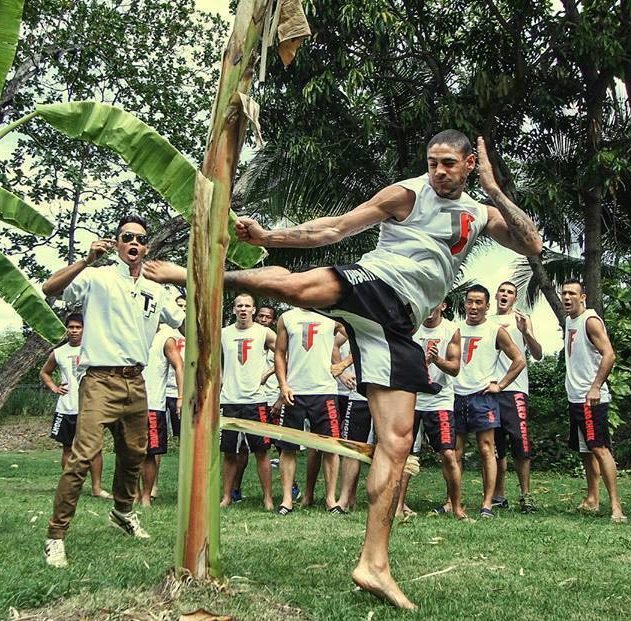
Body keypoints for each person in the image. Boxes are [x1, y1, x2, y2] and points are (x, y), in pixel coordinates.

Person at [144, 131, 542, 609]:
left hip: (400, 327)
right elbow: (332, 229)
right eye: (433, 162)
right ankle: (198, 274)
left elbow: (532, 244)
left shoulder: (482, 213)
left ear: (469, 164)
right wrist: (269, 236)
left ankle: (373, 564)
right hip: (377, 282)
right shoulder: (406, 194)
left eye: (449, 164)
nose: (438, 171)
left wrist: (495, 190)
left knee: (394, 447)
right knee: (297, 291)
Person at [42, 214, 185, 569]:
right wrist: (86, 259)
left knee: (136, 453)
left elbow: (181, 319)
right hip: (99, 380)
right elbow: (49, 288)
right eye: (126, 237)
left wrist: (181, 276)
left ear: (146, 246)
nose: (133, 243)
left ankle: (123, 511)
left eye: (139, 238)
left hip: (137, 381)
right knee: (82, 454)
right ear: (117, 243)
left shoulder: (157, 287)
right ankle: (56, 536)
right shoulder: (97, 277)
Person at [453, 284, 526, 518]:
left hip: (483, 397)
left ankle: (487, 504)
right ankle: (452, 501)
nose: (473, 307)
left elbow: (519, 360)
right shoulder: (455, 329)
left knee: (487, 449)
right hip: (456, 395)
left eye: (478, 303)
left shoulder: (495, 330)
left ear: (486, 305)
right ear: (464, 303)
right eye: (469, 302)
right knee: (454, 452)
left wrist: (500, 385)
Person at [561, 280, 626, 523]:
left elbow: (609, 354)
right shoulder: (570, 320)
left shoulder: (590, 320)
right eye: (564, 293)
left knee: (599, 448)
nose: (567, 297)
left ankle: (616, 507)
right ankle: (592, 499)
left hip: (591, 398)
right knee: (586, 451)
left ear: (583, 297)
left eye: (572, 294)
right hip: (575, 397)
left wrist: (595, 387)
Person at [396, 301, 465, 520]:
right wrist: (421, 362)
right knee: (404, 454)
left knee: (448, 454)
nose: (429, 310)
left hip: (440, 401)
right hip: (412, 399)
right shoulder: (410, 328)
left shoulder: (451, 330)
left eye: (434, 305)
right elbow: (399, 366)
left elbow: (454, 369)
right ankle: (398, 506)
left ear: (443, 306)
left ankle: (456, 508)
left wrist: (437, 360)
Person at [274, 307, 344, 514]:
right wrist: (283, 385)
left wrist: (344, 364)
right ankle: (287, 500)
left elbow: (362, 339)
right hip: (294, 391)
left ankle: (331, 500)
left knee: (331, 446)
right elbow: (279, 352)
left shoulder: (332, 316)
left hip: (324, 391)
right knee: (288, 447)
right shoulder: (287, 317)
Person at [40, 313, 111, 500]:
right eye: (71, 327)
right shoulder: (59, 352)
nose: (74, 331)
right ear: (66, 329)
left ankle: (97, 488)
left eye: (78, 327)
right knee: (68, 448)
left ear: (84, 329)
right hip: (66, 407)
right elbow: (45, 372)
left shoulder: (94, 349)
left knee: (94, 449)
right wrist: (54, 387)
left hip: (90, 408)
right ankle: (71, 487)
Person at [220, 293, 276, 511]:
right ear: (234, 309)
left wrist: (269, 373)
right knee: (229, 452)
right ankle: (227, 496)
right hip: (230, 400)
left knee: (262, 452)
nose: (243, 309)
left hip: (256, 401)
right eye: (239, 306)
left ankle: (268, 499)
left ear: (254, 309)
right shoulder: (224, 333)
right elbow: (214, 359)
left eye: (247, 306)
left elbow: (285, 354)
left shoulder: (263, 332)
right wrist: (221, 379)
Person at [489, 281, 542, 513]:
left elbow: (538, 354)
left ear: (515, 298)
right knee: (495, 445)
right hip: (490, 389)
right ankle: (498, 495)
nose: (505, 295)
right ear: (496, 295)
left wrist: (526, 333)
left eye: (510, 292)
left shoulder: (522, 319)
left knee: (520, 443)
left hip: (515, 390)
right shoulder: (487, 321)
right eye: (502, 291)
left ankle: (526, 495)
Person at [138, 324, 184, 506]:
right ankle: (133, 494)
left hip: (153, 404)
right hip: (129, 404)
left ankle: (146, 496)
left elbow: (179, 366)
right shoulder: (130, 329)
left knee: (151, 453)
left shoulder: (166, 338)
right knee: (129, 453)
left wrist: (180, 397)